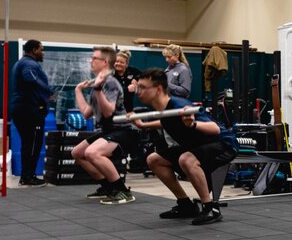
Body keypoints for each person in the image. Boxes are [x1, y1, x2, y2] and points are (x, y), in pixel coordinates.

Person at [130, 68, 237, 225]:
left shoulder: (179, 105)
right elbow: (167, 121)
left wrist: (192, 124)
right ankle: (185, 205)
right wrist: (143, 125)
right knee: (154, 159)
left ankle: (210, 209)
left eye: (143, 87)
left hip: (223, 144)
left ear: (158, 89)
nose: (138, 91)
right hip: (199, 146)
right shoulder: (163, 108)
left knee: (186, 159)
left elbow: (214, 129)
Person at [71, 46, 140, 205]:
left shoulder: (110, 82)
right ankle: (108, 187)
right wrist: (78, 91)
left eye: (95, 58)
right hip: (107, 130)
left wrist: (97, 89)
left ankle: (122, 190)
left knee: (92, 153)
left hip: (123, 131)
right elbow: (87, 113)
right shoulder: (99, 82)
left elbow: (108, 111)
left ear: (105, 62)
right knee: (77, 153)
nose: (91, 61)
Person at [10, 39, 50, 187]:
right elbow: (30, 78)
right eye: (41, 49)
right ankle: (28, 177)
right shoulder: (29, 64)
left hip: (23, 108)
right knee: (32, 143)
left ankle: (26, 176)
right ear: (34, 50)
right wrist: (48, 92)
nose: (43, 52)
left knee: (28, 143)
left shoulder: (22, 63)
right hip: (28, 109)